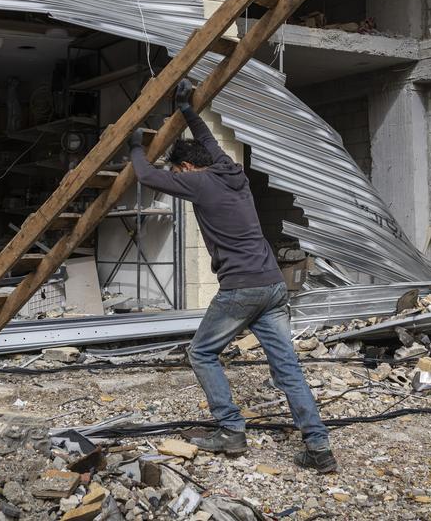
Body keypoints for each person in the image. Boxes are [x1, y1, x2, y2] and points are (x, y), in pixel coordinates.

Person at [129, 80, 336, 473]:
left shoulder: (197, 181)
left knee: (201, 353)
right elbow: (208, 140)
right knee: (288, 368)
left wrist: (135, 146)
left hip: (241, 287)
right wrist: (187, 110)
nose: (179, 178)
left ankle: (231, 431)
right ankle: (319, 447)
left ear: (185, 168)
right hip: (273, 284)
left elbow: (146, 176)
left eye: (179, 172)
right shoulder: (230, 171)